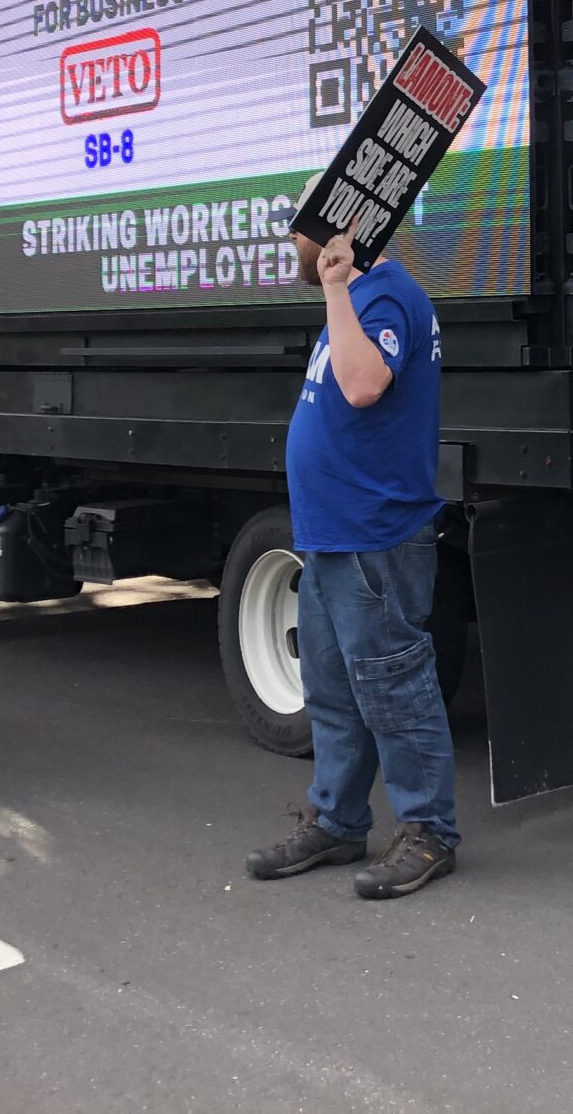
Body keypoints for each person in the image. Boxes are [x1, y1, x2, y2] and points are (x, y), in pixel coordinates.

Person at [246, 232, 457, 899]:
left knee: (394, 687)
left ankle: (428, 831)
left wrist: (337, 286)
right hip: (335, 532)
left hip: (376, 533)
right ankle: (339, 820)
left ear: (342, 233)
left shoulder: (386, 295)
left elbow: (363, 385)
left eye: (303, 228)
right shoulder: (360, 296)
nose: (293, 241)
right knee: (334, 692)